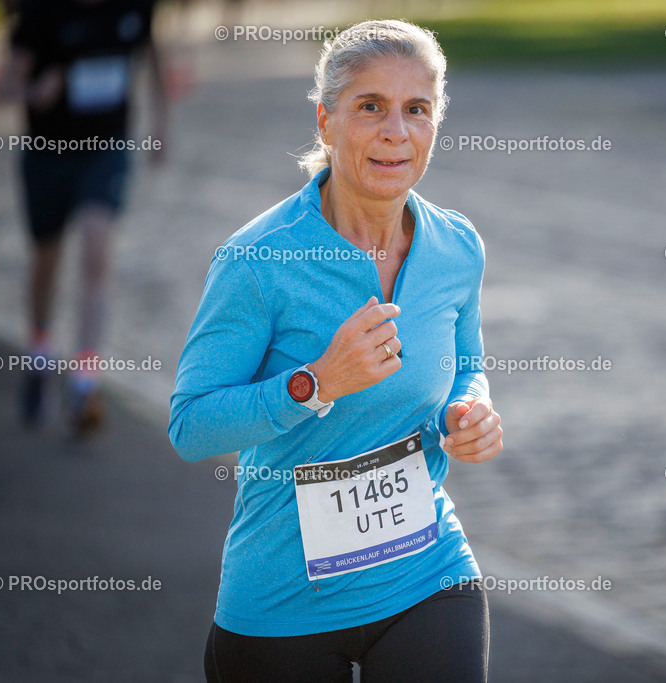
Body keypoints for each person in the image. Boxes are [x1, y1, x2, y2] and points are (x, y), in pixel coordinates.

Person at [169, 19, 503, 682]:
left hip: (425, 572)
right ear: (326, 120)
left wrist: (468, 409)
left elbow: (467, 363)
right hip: (283, 601)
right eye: (370, 107)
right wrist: (315, 383)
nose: (395, 131)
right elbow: (190, 426)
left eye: (417, 110)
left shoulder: (457, 247)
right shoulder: (258, 261)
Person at [0, 0, 167, 433]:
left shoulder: (135, 9)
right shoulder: (43, 14)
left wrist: (163, 125)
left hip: (106, 151)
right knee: (46, 260)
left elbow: (153, 59)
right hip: (47, 155)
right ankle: (39, 350)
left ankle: (85, 378)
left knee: (96, 249)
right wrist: (34, 90)